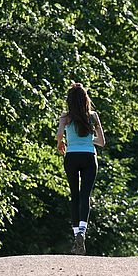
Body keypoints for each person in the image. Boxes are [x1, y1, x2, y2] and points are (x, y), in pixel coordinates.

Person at [56, 82, 105, 255]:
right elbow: (102, 142)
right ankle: (83, 232)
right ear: (86, 99)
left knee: (74, 195)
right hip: (89, 157)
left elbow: (60, 134)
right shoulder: (92, 116)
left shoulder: (65, 117)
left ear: (69, 100)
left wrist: (61, 143)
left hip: (71, 157)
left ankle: (76, 235)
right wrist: (88, 141)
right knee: (86, 195)